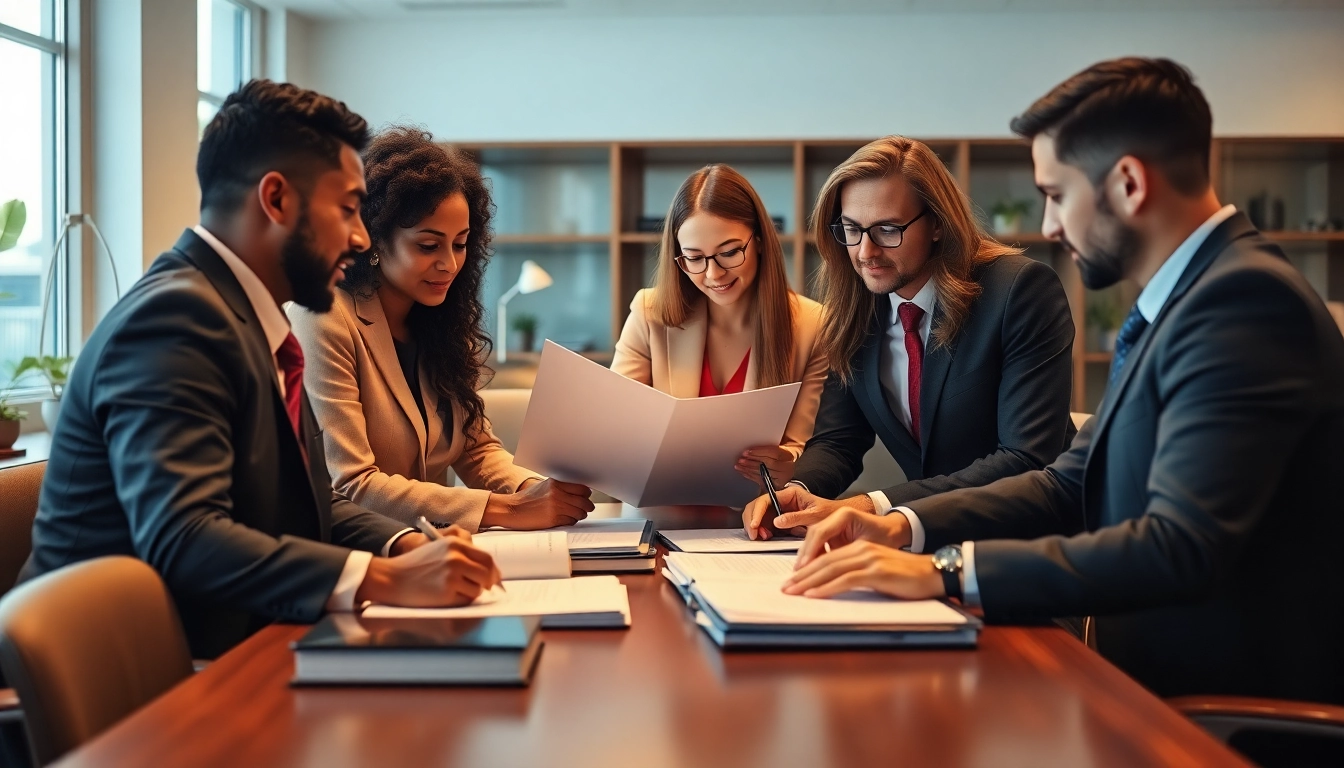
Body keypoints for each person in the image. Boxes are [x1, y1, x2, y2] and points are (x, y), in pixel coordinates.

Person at [783, 58, 1344, 705]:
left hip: (1226, 714)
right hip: (1149, 694)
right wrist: (898, 524)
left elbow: (1179, 545)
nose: (1048, 226)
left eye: (1056, 194)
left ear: (1129, 183)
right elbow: (1069, 480)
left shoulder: (1242, 301)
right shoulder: (1189, 297)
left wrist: (946, 571)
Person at [19, 81, 501, 659]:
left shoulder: (245, 319)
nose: (358, 236)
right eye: (347, 208)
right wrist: (386, 580)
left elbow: (312, 507)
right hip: (123, 676)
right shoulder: (177, 318)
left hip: (228, 647)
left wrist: (402, 546)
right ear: (275, 200)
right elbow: (185, 537)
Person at [744, 136, 1075, 539]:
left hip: (1031, 544)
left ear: (937, 223)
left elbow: (1024, 458)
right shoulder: (858, 307)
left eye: (887, 229)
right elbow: (839, 439)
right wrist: (796, 493)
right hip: (924, 542)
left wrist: (874, 505)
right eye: (851, 228)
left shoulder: (1018, 291)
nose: (865, 252)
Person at [289, 127, 592, 532]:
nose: (449, 264)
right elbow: (352, 485)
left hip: (439, 550)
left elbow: (476, 449)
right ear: (374, 239)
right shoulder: (322, 317)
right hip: (361, 556)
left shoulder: (442, 321)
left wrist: (539, 492)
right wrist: (512, 510)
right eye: (428, 246)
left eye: (461, 243)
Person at [611, 164, 827, 491]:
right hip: (661, 507)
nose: (713, 274)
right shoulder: (648, 312)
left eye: (728, 253)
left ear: (759, 241)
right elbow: (616, 425)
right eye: (694, 258)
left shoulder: (812, 325)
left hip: (755, 511)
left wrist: (786, 462)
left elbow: (801, 446)